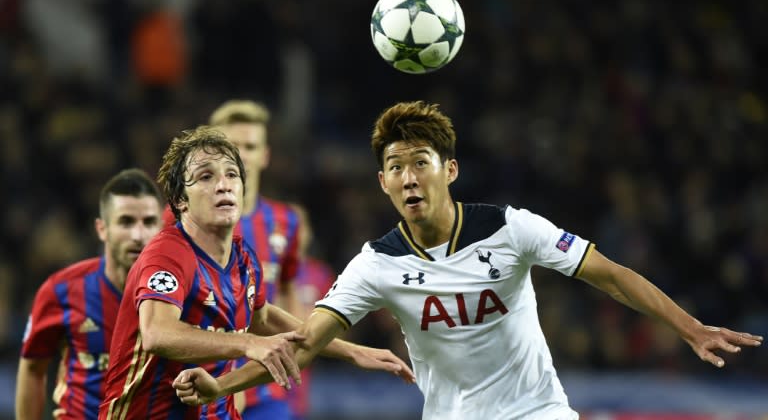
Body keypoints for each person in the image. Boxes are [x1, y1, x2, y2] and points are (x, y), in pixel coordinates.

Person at [173, 101, 763, 419]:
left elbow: (612, 277)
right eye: (397, 167)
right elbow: (301, 344)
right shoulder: (375, 264)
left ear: (448, 170)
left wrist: (690, 328)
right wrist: (221, 388)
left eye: (421, 161)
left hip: (538, 411)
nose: (410, 177)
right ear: (382, 182)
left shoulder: (511, 228)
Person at [99, 126, 413, 419]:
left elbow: (261, 317)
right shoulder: (167, 252)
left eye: (232, 175)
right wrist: (248, 343)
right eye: (205, 177)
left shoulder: (243, 257)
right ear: (181, 200)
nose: (223, 185)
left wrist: (349, 351)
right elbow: (157, 334)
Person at [16, 168, 164, 420]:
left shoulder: (182, 292)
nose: (138, 235)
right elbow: (32, 368)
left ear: (162, 228)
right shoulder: (61, 290)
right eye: (126, 222)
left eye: (149, 222)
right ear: (102, 229)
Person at [208, 100, 304, 418]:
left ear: (264, 155)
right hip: (206, 386)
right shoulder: (180, 220)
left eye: (250, 146)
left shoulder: (286, 221)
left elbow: (288, 286)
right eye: (231, 146)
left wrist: (298, 345)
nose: (241, 154)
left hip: (268, 389)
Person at [286, 203, 336, 420]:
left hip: (306, 375)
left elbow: (341, 328)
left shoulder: (321, 274)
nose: (295, 232)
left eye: (300, 226)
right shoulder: (260, 269)